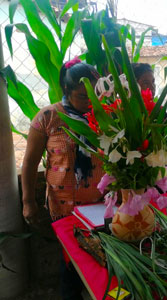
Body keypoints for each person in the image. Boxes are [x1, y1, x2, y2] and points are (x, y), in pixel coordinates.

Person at [21, 59, 103, 300]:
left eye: (94, 94)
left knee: (99, 261)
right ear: (66, 90)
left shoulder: (105, 116)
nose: (90, 102)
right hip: (64, 207)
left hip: (99, 203)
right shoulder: (48, 117)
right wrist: (28, 202)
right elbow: (29, 163)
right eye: (81, 96)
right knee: (70, 263)